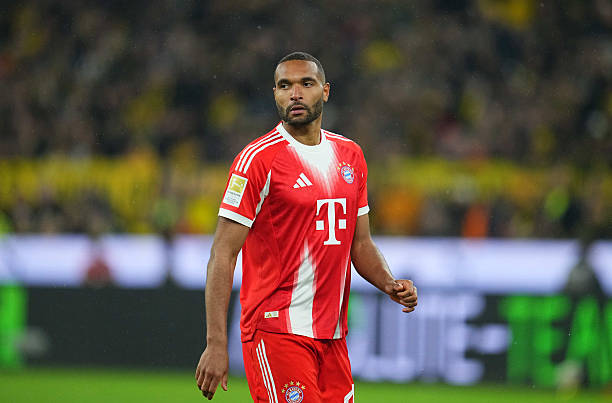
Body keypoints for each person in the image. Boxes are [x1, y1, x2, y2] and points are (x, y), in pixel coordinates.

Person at [195, 51, 418, 402]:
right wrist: (216, 343)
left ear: (325, 91)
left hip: (332, 338)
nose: (295, 94)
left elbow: (360, 244)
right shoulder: (257, 160)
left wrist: (388, 282)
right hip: (276, 330)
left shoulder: (350, 155)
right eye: (285, 86)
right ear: (275, 94)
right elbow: (223, 253)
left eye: (306, 84)